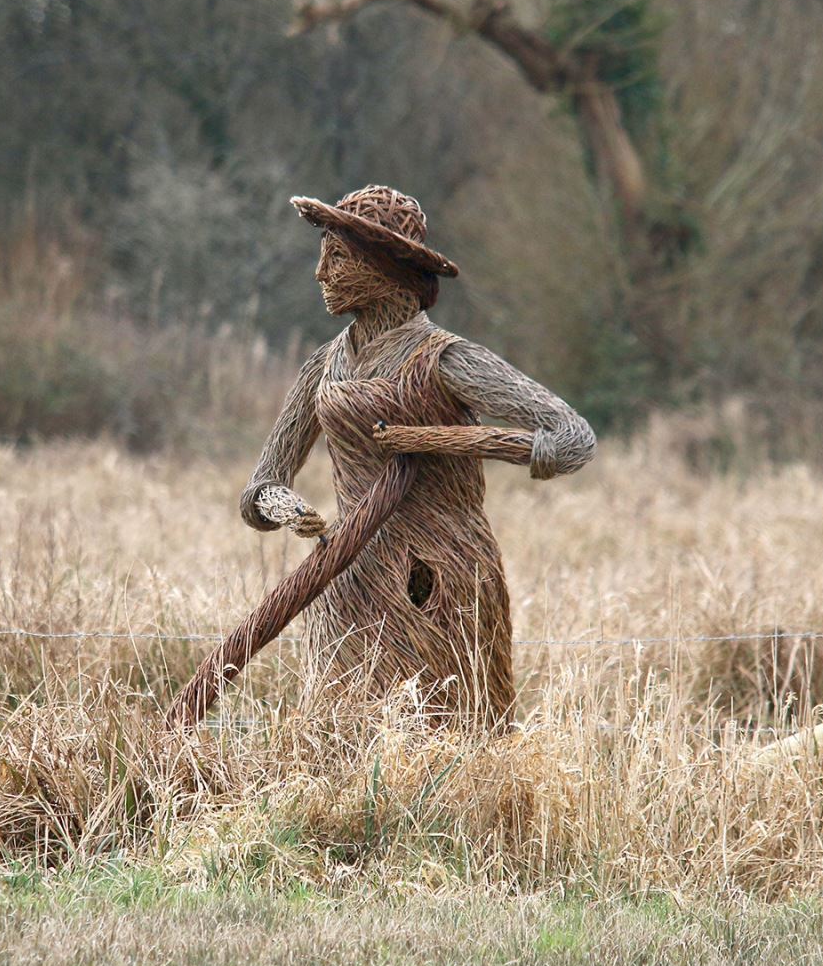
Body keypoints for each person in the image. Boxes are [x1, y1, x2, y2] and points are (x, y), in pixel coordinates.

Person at [239, 185, 596, 723]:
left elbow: (572, 438)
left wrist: (464, 442)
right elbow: (261, 487)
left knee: (453, 727)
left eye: (337, 258)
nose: (321, 274)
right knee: (341, 737)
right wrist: (286, 508)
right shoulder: (324, 367)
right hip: (348, 578)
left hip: (441, 582)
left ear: (382, 266)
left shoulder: (447, 361)